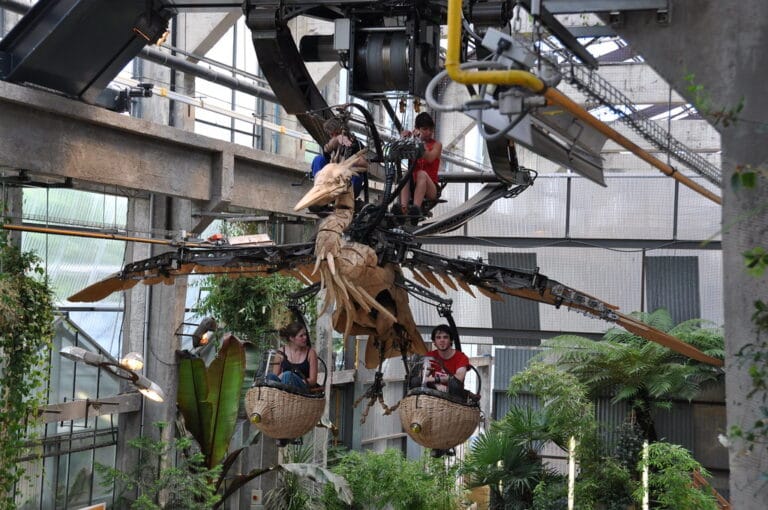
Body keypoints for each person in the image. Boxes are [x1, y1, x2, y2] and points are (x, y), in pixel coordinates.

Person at [421, 324, 470, 458]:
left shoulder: (461, 357)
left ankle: (447, 438)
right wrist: (438, 384)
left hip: (453, 397)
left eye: (445, 337)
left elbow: (459, 377)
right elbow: (424, 377)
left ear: (450, 340)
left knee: (454, 384)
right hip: (434, 394)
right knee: (416, 383)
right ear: (434, 341)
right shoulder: (430, 355)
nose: (442, 340)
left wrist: (436, 379)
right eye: (438, 337)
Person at [267, 321, 319, 446]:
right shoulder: (281, 352)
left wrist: (294, 378)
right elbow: (275, 376)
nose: (305, 338)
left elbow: (312, 380)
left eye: (305, 335)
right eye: (301, 336)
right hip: (284, 391)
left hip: (302, 389)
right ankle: (275, 416)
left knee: (287, 375)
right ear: (292, 338)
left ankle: (284, 423)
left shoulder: (311, 353)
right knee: (269, 377)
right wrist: (284, 380)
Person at [399, 112, 443, 219]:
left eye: (430, 129)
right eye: (425, 129)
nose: (428, 132)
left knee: (421, 174)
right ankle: (403, 209)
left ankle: (415, 210)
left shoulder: (437, 145)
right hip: (414, 185)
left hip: (431, 187)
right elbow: (399, 154)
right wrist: (403, 140)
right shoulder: (413, 142)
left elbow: (430, 158)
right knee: (406, 175)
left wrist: (419, 143)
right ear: (417, 129)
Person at [311, 117, 365, 197]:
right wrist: (327, 150)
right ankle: (319, 188)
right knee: (318, 159)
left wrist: (349, 145)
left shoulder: (357, 144)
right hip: (332, 180)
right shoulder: (332, 145)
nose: (334, 137)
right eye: (331, 135)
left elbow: (362, 163)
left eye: (336, 134)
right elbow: (326, 164)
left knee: (356, 176)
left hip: (349, 182)